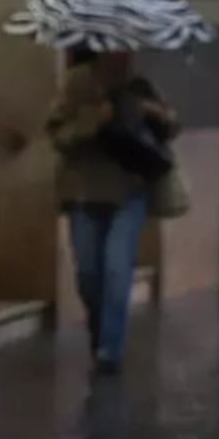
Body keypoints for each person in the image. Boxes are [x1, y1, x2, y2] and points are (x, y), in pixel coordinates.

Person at [45, 48, 179, 375]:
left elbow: (172, 126)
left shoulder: (140, 84)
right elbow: (56, 134)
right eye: (117, 45)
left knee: (118, 269)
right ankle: (100, 331)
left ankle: (110, 349)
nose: (124, 53)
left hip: (130, 191)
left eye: (129, 46)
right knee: (89, 274)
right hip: (84, 192)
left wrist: (159, 114)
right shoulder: (77, 82)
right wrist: (94, 119)